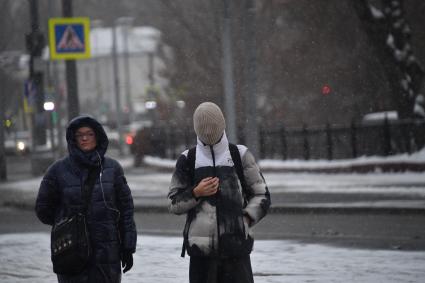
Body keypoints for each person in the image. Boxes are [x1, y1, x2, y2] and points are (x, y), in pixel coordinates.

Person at [168, 102, 271, 283]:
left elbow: (261, 195)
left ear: (222, 125)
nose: (209, 134)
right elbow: (174, 204)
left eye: (213, 129)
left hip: (237, 251)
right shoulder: (188, 159)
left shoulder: (240, 155)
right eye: (204, 130)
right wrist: (196, 192)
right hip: (201, 254)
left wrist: (245, 219)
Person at [35, 115, 137, 283]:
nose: (84, 138)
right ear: (72, 139)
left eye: (89, 134)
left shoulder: (112, 169)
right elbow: (43, 209)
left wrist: (128, 246)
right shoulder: (57, 171)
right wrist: (67, 221)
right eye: (79, 135)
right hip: (71, 254)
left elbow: (126, 209)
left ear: (97, 136)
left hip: (107, 253)